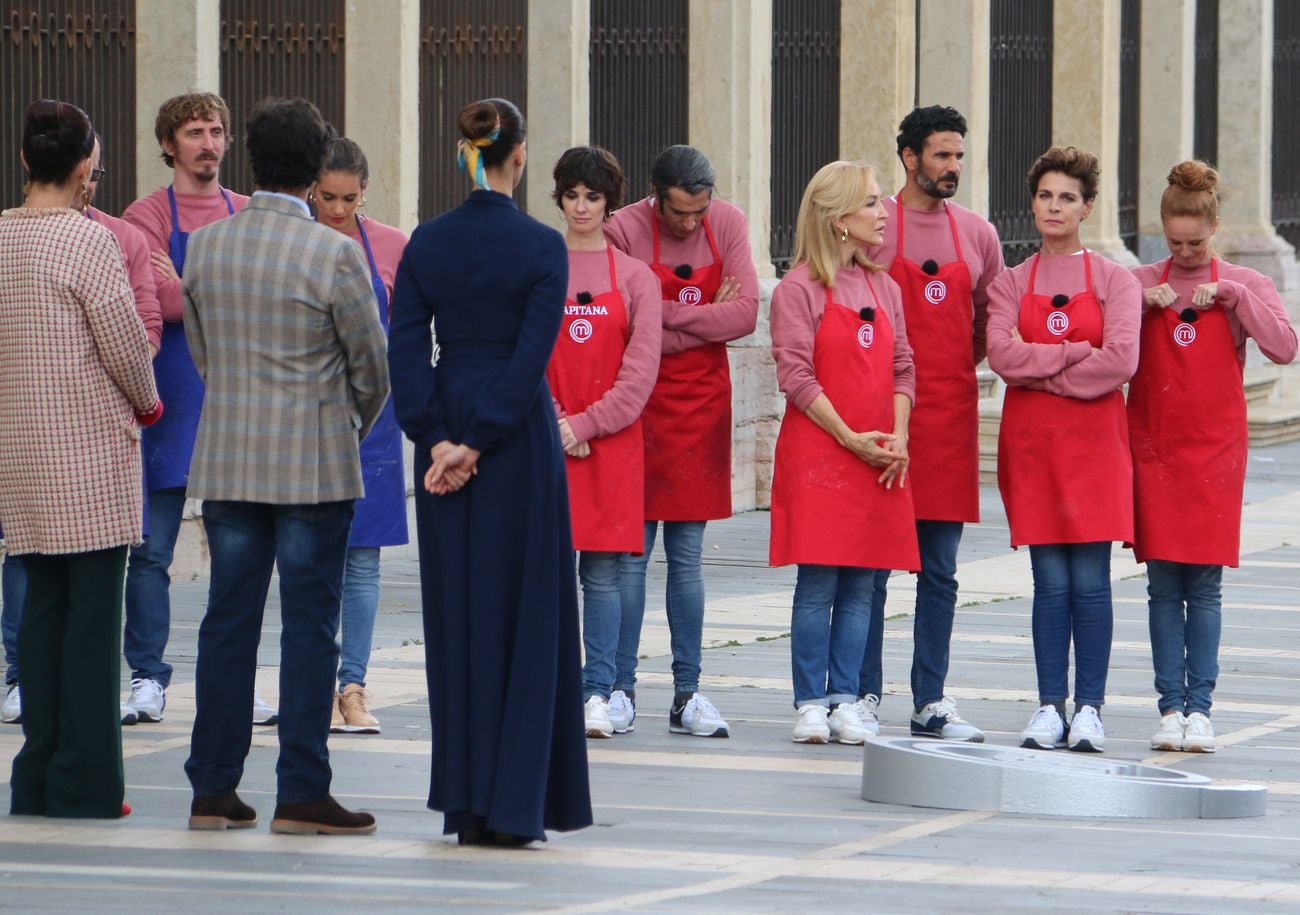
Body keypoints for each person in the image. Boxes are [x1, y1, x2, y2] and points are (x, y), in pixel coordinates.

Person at [181, 97, 389, 835]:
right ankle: (301, 787)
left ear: (252, 163)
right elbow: (372, 364)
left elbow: (204, 352)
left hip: (231, 458)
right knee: (310, 625)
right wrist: (346, 425)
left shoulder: (205, 247)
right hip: (313, 464)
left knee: (227, 622)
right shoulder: (335, 254)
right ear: (313, 171)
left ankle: (212, 786)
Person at [388, 97, 593, 846]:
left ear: (464, 153)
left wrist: (438, 438)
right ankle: (518, 801)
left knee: (459, 615)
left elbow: (404, 350)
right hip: (516, 438)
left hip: (444, 426)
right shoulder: (543, 246)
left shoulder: (426, 242)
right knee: (528, 611)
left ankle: (467, 800)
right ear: (521, 155)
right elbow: (533, 354)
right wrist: (478, 440)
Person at [0, 99, 161, 818]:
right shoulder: (89, 241)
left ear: (28, 161)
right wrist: (149, 403)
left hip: (19, 451)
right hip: (87, 454)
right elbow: (126, 344)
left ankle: (35, 775)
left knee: (40, 615)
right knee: (95, 625)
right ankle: (88, 782)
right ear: (86, 164)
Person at [122, 93, 279, 726]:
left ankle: (236, 679)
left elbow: (261, 298)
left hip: (233, 408)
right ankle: (147, 677)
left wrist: (184, 285)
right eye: (194, 132)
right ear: (169, 144)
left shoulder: (244, 210)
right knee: (151, 553)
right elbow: (154, 303)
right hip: (166, 404)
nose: (209, 142)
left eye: (216, 130)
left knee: (238, 558)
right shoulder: (143, 214)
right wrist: (211, 290)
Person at [1129, 161, 1297, 753]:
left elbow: (1283, 347)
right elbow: (1106, 346)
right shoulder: (1140, 281)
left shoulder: (1242, 285)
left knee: (1202, 586)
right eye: (1174, 242)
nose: (1184, 251)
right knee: (1159, 585)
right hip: (1153, 450)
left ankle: (1200, 707)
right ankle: (1168, 706)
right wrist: (1137, 306)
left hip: (1214, 454)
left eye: (1195, 242)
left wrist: (1233, 297)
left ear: (1215, 226)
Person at [986, 146, 1141, 753]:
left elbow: (1121, 362)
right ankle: (1049, 705)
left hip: (1097, 449)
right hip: (1033, 449)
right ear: (1033, 202)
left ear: (1088, 208)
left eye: (1067, 198)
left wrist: (1041, 367)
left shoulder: (1114, 281)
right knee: (1048, 583)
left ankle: (1091, 709)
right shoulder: (1009, 281)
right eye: (1046, 195)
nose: (1055, 207)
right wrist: (1077, 354)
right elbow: (1002, 356)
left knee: (1092, 583)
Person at [860, 105, 1004, 742]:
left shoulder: (978, 234)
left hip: (948, 418)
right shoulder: (870, 227)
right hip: (878, 419)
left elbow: (989, 324)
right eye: (941, 155)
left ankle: (930, 700)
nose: (952, 168)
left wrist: (939, 374)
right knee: (869, 566)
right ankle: (859, 692)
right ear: (909, 158)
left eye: (959, 156)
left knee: (939, 570)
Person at [604, 145, 759, 738]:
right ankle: (620, 687)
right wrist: (692, 325)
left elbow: (744, 315)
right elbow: (623, 326)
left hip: (702, 410)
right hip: (637, 405)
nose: (691, 223)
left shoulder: (731, 223)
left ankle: (688, 691)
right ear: (653, 196)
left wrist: (661, 317)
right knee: (631, 557)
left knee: (688, 558)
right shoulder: (622, 230)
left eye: (700, 211)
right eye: (678, 214)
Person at [770, 161, 920, 745]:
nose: (885, 213)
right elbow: (797, 377)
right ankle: (809, 700)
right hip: (821, 453)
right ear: (838, 220)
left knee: (862, 583)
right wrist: (850, 438)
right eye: (873, 203)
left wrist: (897, 436)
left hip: (880, 453)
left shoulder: (886, 287)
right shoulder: (796, 289)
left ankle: (845, 698)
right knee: (818, 582)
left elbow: (904, 366)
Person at [545, 147, 662, 738]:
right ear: (559, 198)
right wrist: (556, 422)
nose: (582, 207)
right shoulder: (538, 266)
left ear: (609, 202)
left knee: (605, 575)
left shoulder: (637, 278)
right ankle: (550, 686)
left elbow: (639, 374)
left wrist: (584, 426)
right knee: (547, 570)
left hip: (611, 446)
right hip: (547, 444)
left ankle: (600, 691)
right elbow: (526, 357)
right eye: (572, 196)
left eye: (593, 197)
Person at [311, 138, 409, 735]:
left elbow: (409, 334)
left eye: (351, 198)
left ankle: (354, 685)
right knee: (314, 559)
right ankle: (315, 683)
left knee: (364, 562)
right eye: (327, 197)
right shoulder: (297, 239)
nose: (339, 210)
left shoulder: (394, 247)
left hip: (375, 419)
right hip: (311, 416)